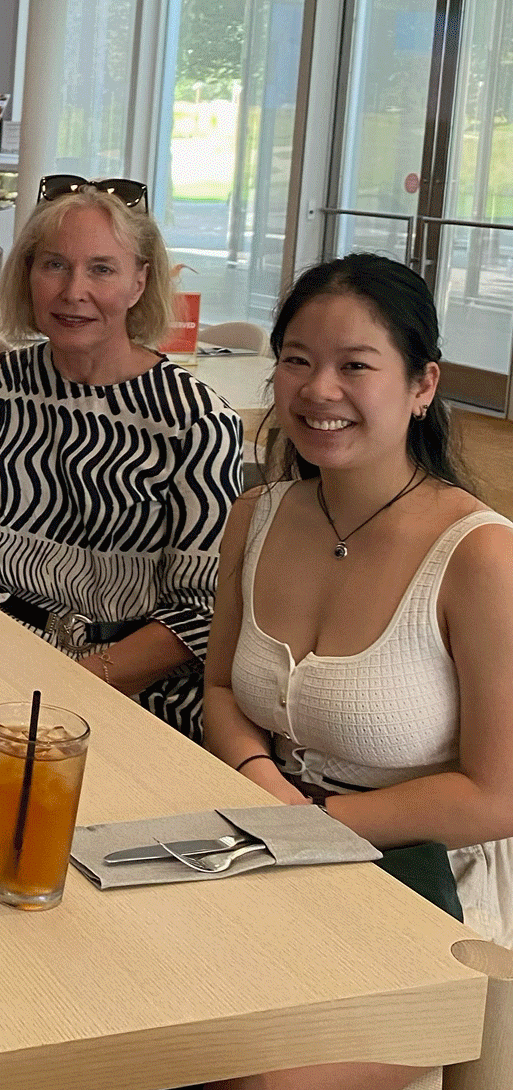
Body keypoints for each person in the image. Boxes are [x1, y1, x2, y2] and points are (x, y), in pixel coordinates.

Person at [201, 257, 513, 1090]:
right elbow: (225, 692)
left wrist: (317, 821)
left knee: (252, 1076)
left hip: (435, 884)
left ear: (422, 385)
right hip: (277, 847)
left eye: (355, 365)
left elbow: (496, 795)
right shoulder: (257, 516)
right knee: (124, 1004)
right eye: (297, 360)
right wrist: (268, 787)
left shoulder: (478, 554)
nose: (318, 389)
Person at [0, 178, 243, 741]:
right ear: (28, 276)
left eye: (101, 269)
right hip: (2, 649)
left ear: (139, 282)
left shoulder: (195, 422)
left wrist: (75, 682)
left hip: (134, 695)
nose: (73, 290)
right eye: (54, 265)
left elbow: (200, 614)